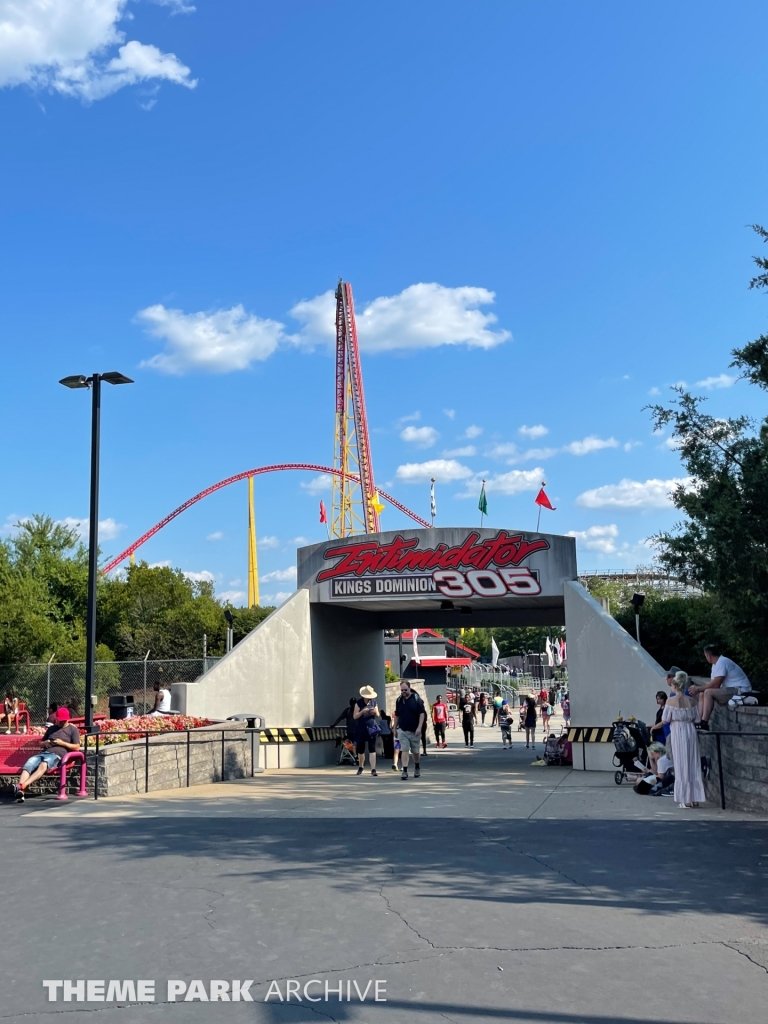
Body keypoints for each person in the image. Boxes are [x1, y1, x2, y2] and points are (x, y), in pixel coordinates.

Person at [13, 707, 81, 803]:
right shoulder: (51, 729)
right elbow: (41, 743)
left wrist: (63, 743)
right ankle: (21, 792)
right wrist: (46, 742)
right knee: (28, 764)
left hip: (57, 755)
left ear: (67, 719)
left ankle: (22, 785)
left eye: (63, 721)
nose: (61, 722)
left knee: (43, 765)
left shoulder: (73, 730)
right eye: (59, 720)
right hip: (44, 753)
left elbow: (77, 747)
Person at [662, 670, 705, 808]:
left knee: (681, 764)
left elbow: (665, 719)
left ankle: (685, 799)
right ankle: (695, 797)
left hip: (677, 731)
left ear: (675, 685)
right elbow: (697, 719)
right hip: (690, 731)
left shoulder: (670, 701)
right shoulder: (692, 701)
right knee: (693, 763)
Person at [688, 646, 751, 728]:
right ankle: (698, 720)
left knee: (708, 692)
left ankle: (704, 723)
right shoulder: (715, 665)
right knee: (702, 693)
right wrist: (699, 689)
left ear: (708, 656)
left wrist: (698, 688)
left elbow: (716, 684)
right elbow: (712, 683)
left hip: (741, 690)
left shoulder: (722, 662)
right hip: (731, 689)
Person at [393, 680, 426, 780]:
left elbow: (422, 713)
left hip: (414, 730)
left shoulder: (416, 699)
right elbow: (397, 715)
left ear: (409, 688)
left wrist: (419, 727)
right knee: (404, 750)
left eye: (405, 690)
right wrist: (395, 728)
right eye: (402, 690)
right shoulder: (399, 700)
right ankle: (405, 771)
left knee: (415, 751)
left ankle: (417, 767)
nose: (403, 692)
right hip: (403, 730)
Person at [352, 685, 380, 776]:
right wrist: (363, 711)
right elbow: (355, 716)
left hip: (371, 727)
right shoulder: (358, 703)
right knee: (361, 749)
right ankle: (361, 767)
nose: (369, 699)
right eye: (368, 697)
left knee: (372, 748)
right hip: (361, 728)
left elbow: (378, 715)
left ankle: (373, 769)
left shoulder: (374, 702)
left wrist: (374, 712)